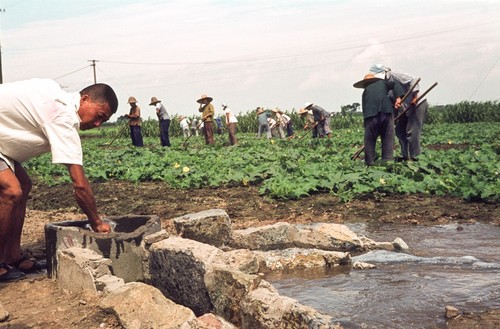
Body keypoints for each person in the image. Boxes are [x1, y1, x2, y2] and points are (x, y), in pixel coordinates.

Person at [0, 78, 118, 282]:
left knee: (24, 185)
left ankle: (12, 255)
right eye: (99, 116)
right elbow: (79, 185)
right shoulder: (62, 115)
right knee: (12, 191)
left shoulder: (54, 92)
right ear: (85, 99)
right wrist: (96, 222)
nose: (97, 124)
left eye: (103, 121)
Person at [370, 64, 429, 161]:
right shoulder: (385, 84)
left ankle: (416, 158)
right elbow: (393, 101)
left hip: (416, 103)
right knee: (400, 130)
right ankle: (404, 155)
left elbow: (414, 80)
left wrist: (414, 97)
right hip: (405, 108)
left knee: (412, 132)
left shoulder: (394, 74)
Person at [353, 73, 404, 165]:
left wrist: (366, 125)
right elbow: (396, 83)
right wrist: (398, 98)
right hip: (386, 112)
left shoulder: (365, 92)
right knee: (387, 139)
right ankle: (387, 163)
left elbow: (365, 109)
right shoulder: (383, 83)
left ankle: (369, 163)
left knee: (370, 140)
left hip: (371, 115)